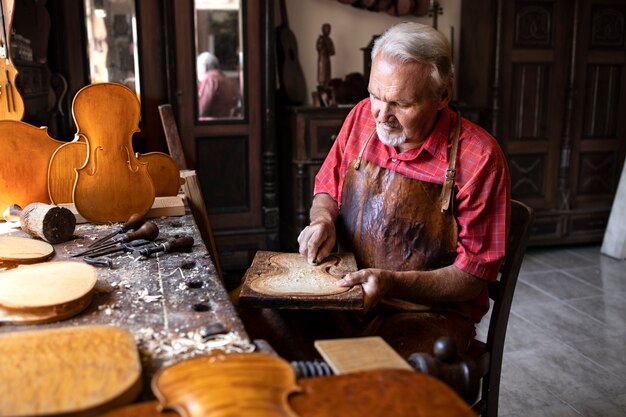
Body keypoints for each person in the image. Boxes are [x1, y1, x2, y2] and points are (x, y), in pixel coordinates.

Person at [238, 22, 510, 360]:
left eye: (401, 103)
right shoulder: (360, 119)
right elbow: (327, 187)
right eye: (375, 95)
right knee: (251, 318)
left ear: (442, 95)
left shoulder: (480, 158)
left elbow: (472, 276)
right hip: (345, 292)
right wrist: (322, 220)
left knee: (380, 386)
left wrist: (389, 282)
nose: (382, 115)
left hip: (427, 313)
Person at [196, 51, 240, 118]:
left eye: (197, 67)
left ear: (203, 67)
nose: (197, 71)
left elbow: (201, 110)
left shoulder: (209, 79)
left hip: (210, 125)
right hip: (227, 124)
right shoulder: (228, 80)